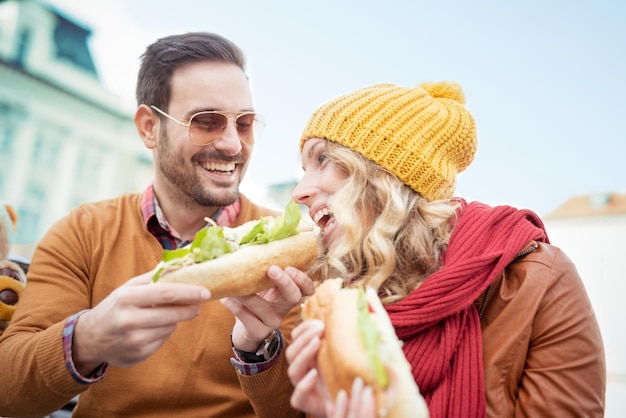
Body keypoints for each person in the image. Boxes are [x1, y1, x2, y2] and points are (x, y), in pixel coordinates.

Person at [0, 32, 313, 417]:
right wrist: (88, 339)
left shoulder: (290, 248)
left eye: (244, 124)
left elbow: (298, 412)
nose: (233, 145)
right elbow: (8, 395)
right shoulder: (83, 231)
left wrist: (257, 350)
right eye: (207, 121)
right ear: (149, 127)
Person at [285, 81, 606, 417]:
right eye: (304, 169)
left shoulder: (538, 279)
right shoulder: (335, 302)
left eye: (323, 159)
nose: (300, 191)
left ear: (386, 176)